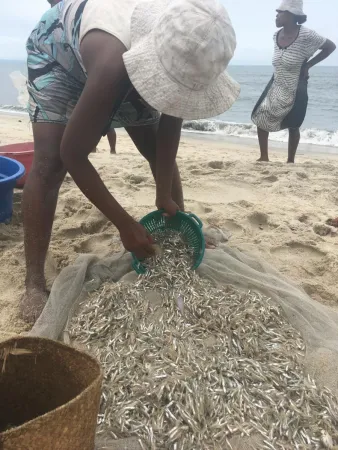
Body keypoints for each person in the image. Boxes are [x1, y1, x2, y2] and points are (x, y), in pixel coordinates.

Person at [21, 0, 240, 322]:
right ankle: (33, 282)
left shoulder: (190, 44)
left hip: (120, 57)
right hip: (61, 57)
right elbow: (74, 154)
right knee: (49, 165)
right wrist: (125, 224)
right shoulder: (112, 61)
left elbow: (167, 134)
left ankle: (178, 228)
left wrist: (165, 195)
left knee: (153, 148)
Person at [252, 0, 336, 163]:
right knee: (261, 115)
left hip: (296, 85)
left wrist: (309, 65)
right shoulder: (276, 35)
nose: (276, 15)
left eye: (279, 12)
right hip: (276, 83)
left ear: (291, 15)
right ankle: (264, 157)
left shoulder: (306, 35)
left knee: (294, 122)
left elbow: (330, 47)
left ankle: (290, 160)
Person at [47, 0, 117, 153]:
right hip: (81, 81)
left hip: (90, 78)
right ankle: (94, 148)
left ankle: (111, 149)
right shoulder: (53, 22)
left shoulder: (81, 13)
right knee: (92, 122)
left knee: (103, 122)